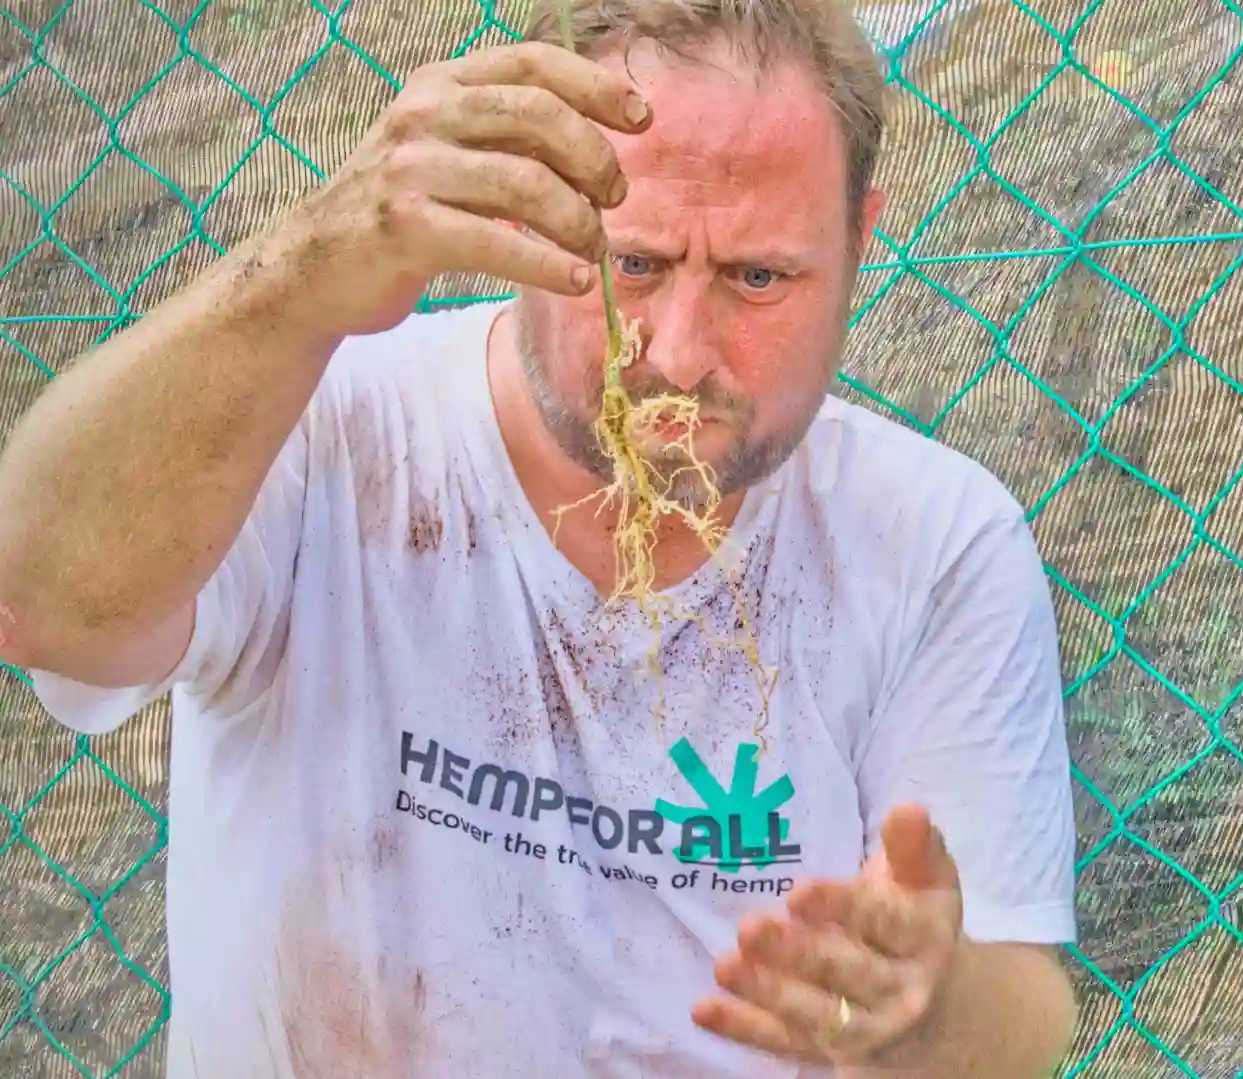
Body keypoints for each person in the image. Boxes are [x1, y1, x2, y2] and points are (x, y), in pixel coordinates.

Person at [0, 1, 1079, 1075]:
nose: (682, 354)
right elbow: (39, 599)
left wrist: (925, 1012)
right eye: (637, 263)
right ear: (527, 214)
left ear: (861, 238)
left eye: (760, 278)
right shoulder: (323, 425)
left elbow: (1017, 1019)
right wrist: (303, 266)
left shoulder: (934, 541)